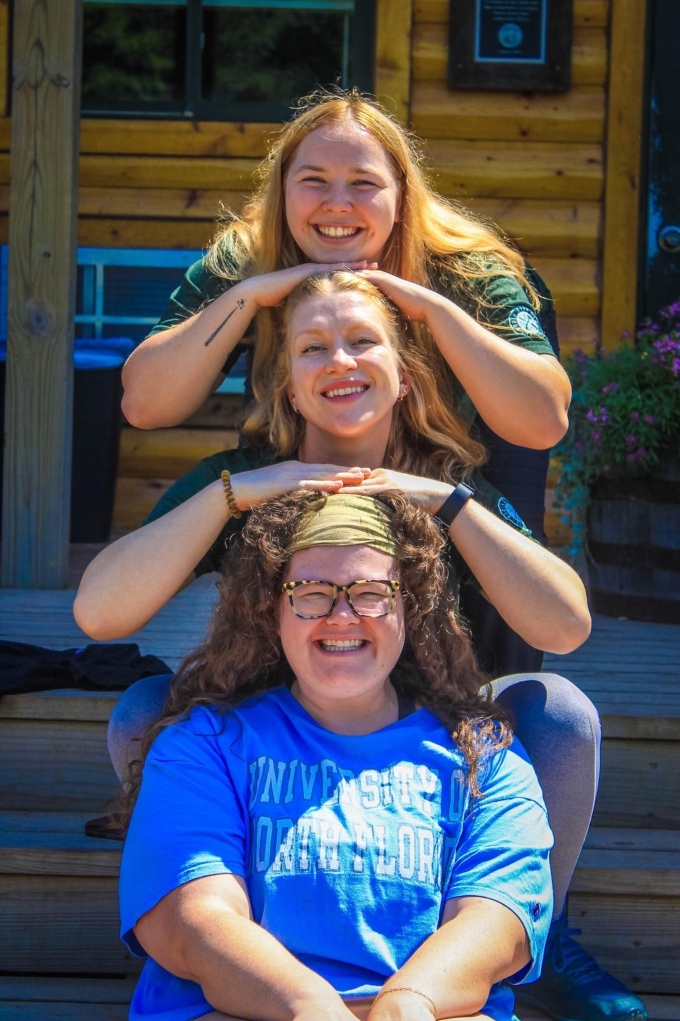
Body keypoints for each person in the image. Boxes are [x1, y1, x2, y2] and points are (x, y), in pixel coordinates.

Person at [78, 271, 643, 1021]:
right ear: (284, 386)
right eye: (314, 346)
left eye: (362, 341)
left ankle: (523, 929)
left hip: (428, 720)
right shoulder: (242, 479)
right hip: (264, 722)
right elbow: (95, 609)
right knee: (149, 713)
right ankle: (207, 912)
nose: (340, 361)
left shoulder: (452, 483)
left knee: (559, 716)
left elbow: (567, 624)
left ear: (406, 377)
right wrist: (247, 491)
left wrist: (444, 501)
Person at [120, 88, 569, 680]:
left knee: (495, 598)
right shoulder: (246, 258)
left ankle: (489, 709)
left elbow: (541, 423)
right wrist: (252, 295)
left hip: (461, 443)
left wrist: (431, 309)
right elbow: (145, 404)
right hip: (313, 445)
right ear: (281, 192)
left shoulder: (472, 269)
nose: (337, 205)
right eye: (313, 180)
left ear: (402, 197)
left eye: (363, 183)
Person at [119, 489, 555, 1021]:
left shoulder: (483, 757)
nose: (342, 614)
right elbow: (190, 920)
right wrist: (311, 1007)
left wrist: (406, 1004)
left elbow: (499, 920)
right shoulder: (205, 745)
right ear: (272, 609)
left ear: (408, 608)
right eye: (311, 592)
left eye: (371, 592)